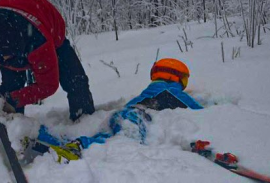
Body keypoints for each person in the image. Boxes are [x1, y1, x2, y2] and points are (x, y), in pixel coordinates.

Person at [22, 58, 206, 164]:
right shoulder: (171, 91)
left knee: (104, 140)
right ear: (177, 77)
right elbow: (201, 112)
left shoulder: (148, 91)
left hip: (121, 116)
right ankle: (77, 146)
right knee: (122, 144)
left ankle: (43, 137)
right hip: (134, 119)